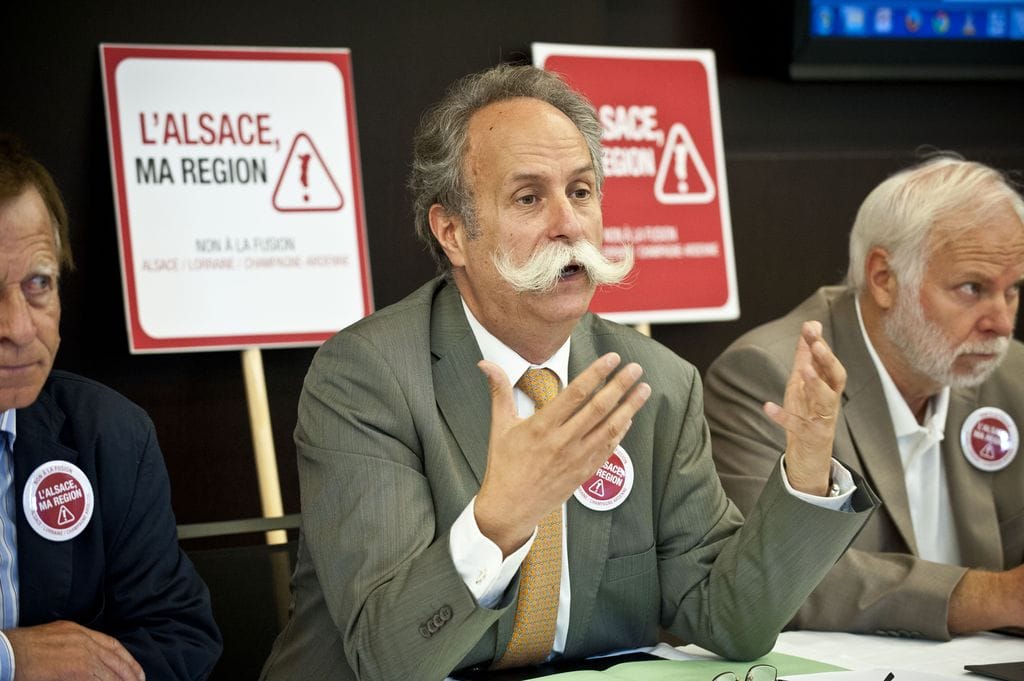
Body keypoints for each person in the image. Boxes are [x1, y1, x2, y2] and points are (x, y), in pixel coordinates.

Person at [260, 64, 876, 681]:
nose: (569, 223)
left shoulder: (655, 384)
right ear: (452, 231)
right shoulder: (368, 377)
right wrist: (498, 520)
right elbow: (387, 655)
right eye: (529, 198)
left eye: (581, 192)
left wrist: (807, 468)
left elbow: (729, 619)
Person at [705, 155, 1024, 640]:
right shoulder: (774, 375)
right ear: (884, 278)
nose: (1001, 323)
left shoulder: (1011, 374)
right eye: (972, 288)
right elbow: (772, 576)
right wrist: (992, 598)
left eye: (1013, 290)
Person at [0, 136, 222, 680]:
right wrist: (10, 657)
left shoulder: (108, 435)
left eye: (37, 285)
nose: (19, 329)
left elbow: (180, 636)